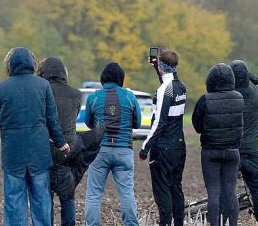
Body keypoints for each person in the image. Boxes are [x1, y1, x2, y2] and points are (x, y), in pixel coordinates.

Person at [0, 47, 69, 226]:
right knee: (41, 201)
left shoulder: (1, 88)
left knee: (14, 202)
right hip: (39, 154)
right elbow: (52, 118)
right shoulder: (43, 85)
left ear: (11, 64)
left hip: (13, 155)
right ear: (31, 63)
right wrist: (61, 142)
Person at [83, 62, 141, 226]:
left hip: (99, 151)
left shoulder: (93, 97)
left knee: (94, 194)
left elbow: (88, 123)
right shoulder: (130, 97)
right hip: (124, 150)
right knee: (127, 193)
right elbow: (136, 123)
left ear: (103, 78)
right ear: (121, 78)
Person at [191, 63, 244, 226]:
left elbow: (197, 126)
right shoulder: (239, 98)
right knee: (230, 190)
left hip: (210, 151)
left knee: (213, 192)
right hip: (233, 151)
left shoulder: (204, 100)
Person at [140, 50, 188, 226]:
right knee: (176, 188)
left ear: (161, 67)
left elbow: (159, 122)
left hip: (163, 149)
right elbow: (169, 82)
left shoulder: (163, 91)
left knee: (162, 191)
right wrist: (157, 66)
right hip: (179, 146)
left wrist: (145, 148)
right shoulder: (181, 86)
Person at [36, 57, 82, 226]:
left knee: (45, 198)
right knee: (67, 197)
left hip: (44, 150)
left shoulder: (41, 91)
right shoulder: (76, 94)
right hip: (67, 152)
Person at [230, 60, 258, 226]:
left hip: (232, 149)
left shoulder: (229, 95)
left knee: (228, 188)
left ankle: (227, 220)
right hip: (251, 149)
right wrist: (249, 75)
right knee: (257, 188)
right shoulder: (256, 94)